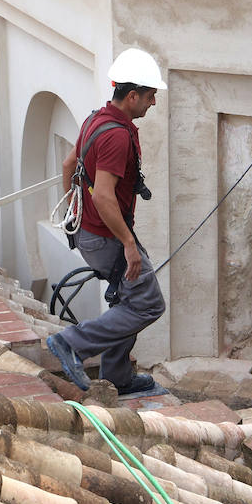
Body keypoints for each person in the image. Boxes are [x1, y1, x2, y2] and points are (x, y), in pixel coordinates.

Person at [46, 49, 167, 397]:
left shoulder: (95, 120)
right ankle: (71, 343)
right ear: (132, 97)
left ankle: (117, 377)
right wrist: (128, 244)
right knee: (148, 303)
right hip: (106, 238)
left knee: (130, 299)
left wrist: (76, 212)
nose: (154, 102)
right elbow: (102, 195)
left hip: (93, 232)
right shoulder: (116, 136)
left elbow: (69, 166)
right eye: (150, 95)